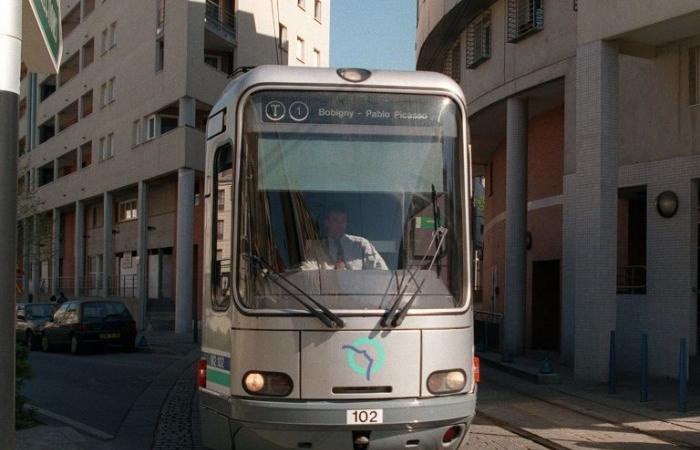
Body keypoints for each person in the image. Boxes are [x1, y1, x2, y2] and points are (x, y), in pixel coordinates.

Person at [302, 206, 388, 271]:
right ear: (327, 223)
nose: (340, 225)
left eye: (343, 220)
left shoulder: (361, 245)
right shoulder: (316, 249)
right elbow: (307, 273)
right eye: (335, 220)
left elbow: (381, 272)